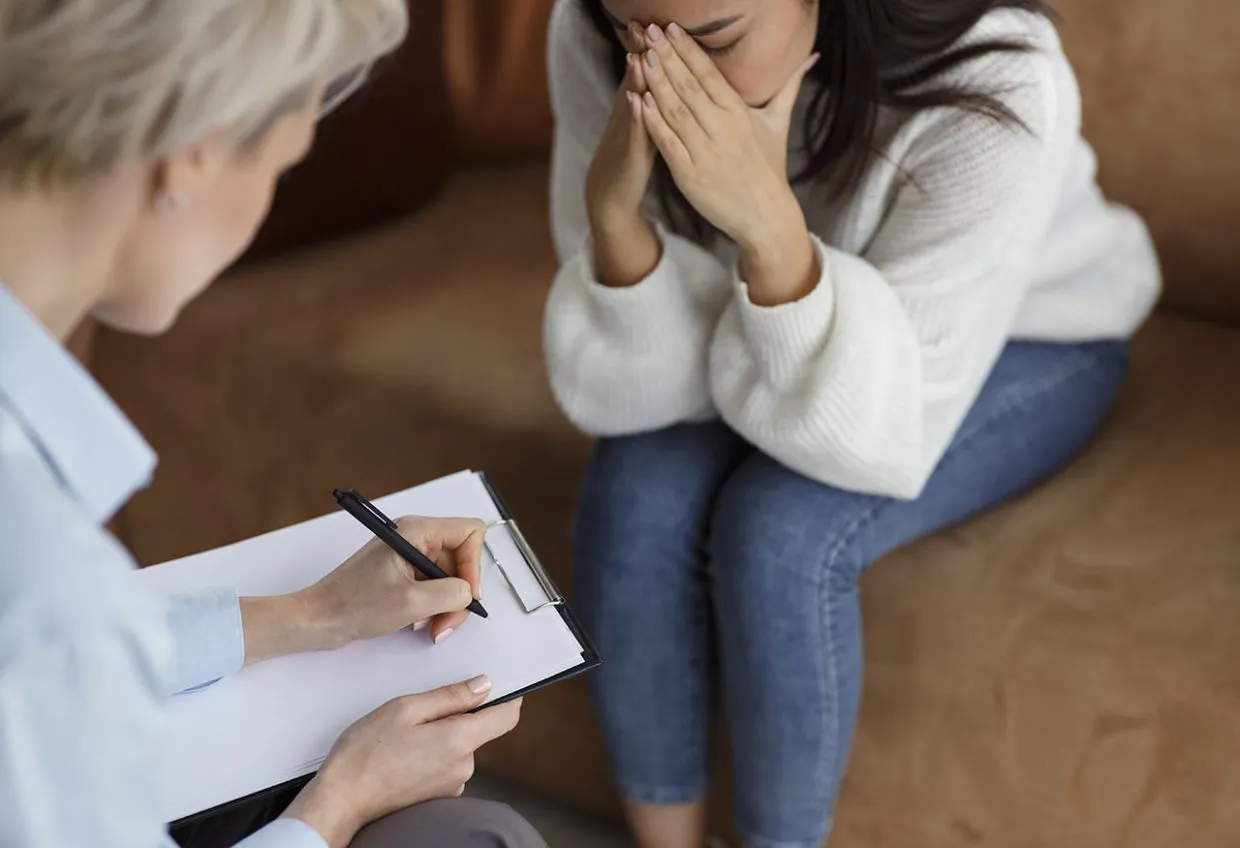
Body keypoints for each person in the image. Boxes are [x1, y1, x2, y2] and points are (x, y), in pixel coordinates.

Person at [542, 0, 1162, 847]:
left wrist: (768, 230)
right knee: (635, 495)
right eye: (632, 35)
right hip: (763, 335)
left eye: (717, 37)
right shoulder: (591, 29)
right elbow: (637, 391)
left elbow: (882, 431)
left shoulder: (1000, 78)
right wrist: (615, 223)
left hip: (1033, 331)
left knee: (778, 536)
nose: (664, 74)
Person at [0, 2, 549, 848]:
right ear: (192, 155)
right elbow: (48, 646)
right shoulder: (44, 578)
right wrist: (340, 802)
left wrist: (314, 615)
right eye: (282, 165)